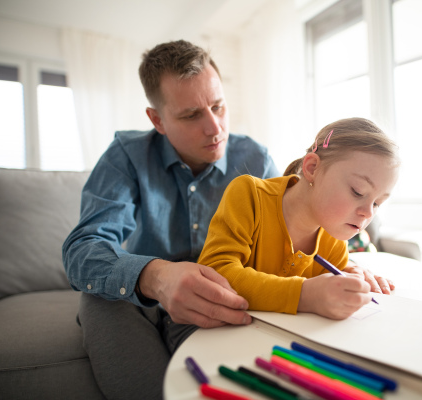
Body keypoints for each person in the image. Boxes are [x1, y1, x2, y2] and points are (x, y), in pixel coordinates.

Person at [62, 40, 279, 400]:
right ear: (157, 120)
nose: (215, 128)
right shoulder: (126, 156)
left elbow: (290, 238)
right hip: (142, 302)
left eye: (218, 106)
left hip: (223, 299)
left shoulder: (256, 159)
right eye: (192, 115)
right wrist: (157, 277)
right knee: (99, 297)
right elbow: (83, 250)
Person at [197, 117, 399, 320]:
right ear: (312, 168)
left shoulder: (334, 236)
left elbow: (327, 284)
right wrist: (305, 295)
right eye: (358, 191)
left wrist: (350, 278)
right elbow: (215, 273)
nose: (369, 213)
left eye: (377, 203)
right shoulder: (249, 195)